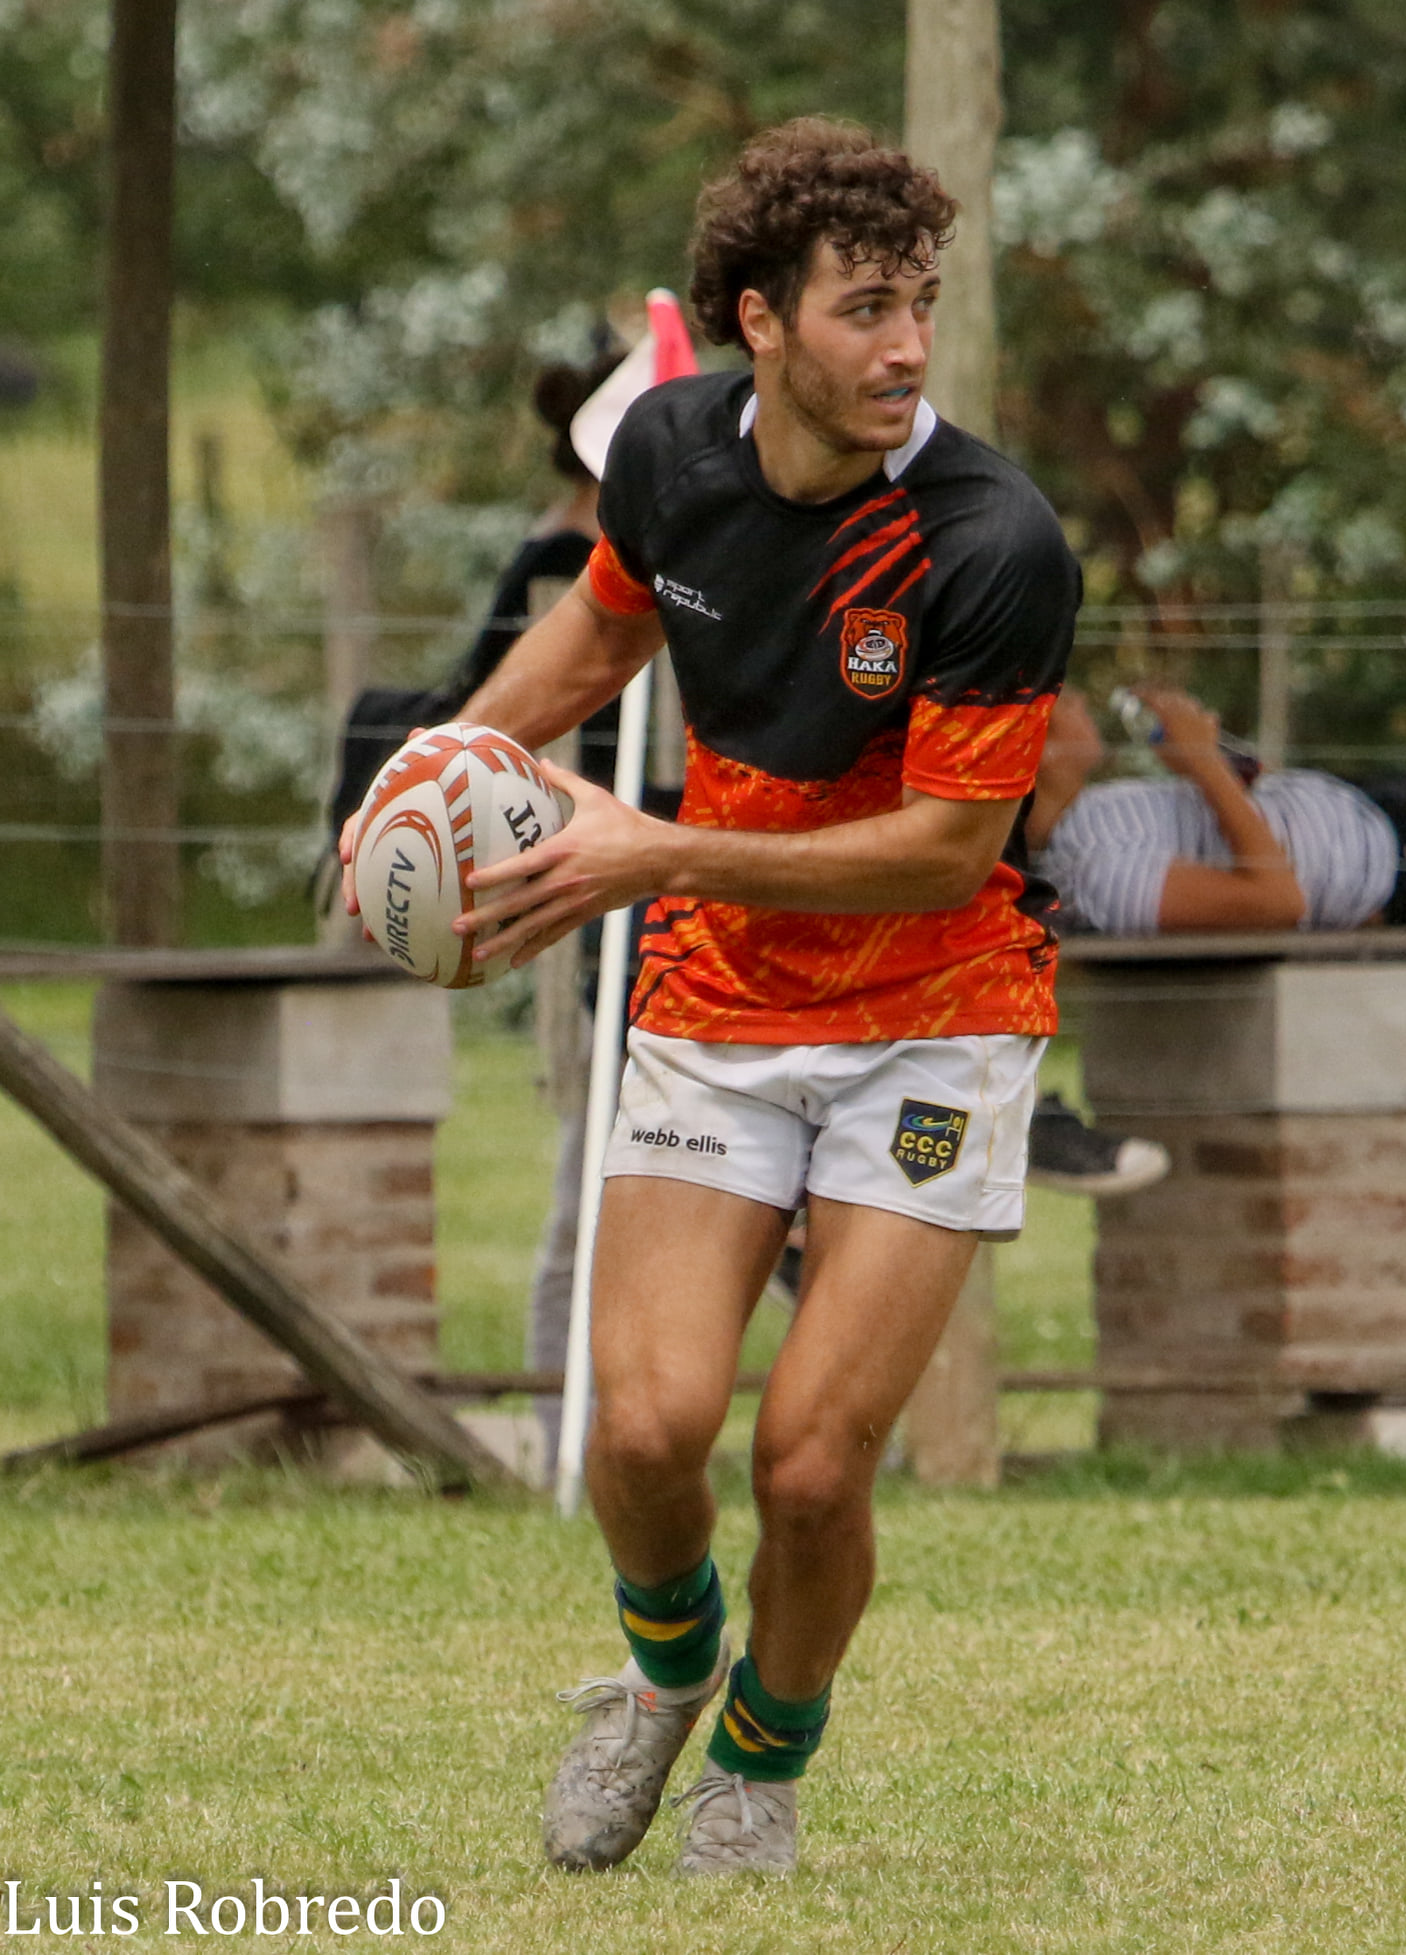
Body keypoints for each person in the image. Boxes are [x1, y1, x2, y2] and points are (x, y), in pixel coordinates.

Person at [344, 117, 1078, 1876]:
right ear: (758, 321)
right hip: (719, 996)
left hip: (936, 1004)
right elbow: (601, 636)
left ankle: (760, 1762)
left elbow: (936, 855)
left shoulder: (992, 542)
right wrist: (447, 768)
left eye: (919, 306)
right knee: (654, 1426)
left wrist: (650, 853)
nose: (905, 347)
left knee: (813, 1466)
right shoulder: (669, 452)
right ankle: (663, 1677)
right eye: (863, 309)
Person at [1032, 684, 1406, 936]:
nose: (1073, 695)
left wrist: (1223, 769)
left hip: (1370, 809)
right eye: (1054, 700)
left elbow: (1235, 829)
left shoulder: (1088, 817)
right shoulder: (1094, 873)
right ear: (1036, 752)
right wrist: (1200, 763)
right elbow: (1276, 900)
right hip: (1405, 865)